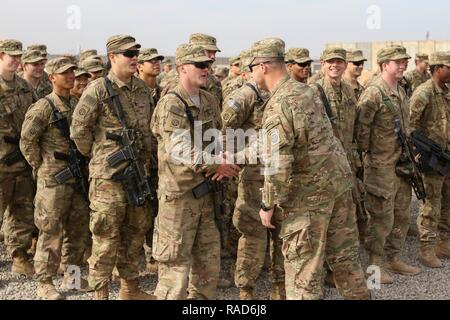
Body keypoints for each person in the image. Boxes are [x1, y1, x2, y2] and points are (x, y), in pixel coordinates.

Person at [253, 37, 369, 300]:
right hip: (338, 187)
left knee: (304, 272)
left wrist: (267, 205)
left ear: (262, 67)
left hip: (308, 199)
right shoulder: (307, 91)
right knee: (347, 262)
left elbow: (278, 163)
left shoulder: (279, 104)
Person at [151, 43, 241, 299]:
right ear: (182, 69)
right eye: (200, 65)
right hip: (180, 198)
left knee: (207, 265)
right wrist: (216, 164)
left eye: (208, 64)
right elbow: (178, 148)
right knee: (175, 269)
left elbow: (217, 137)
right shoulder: (172, 103)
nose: (207, 69)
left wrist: (224, 155)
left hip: (206, 195)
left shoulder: (209, 99)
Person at [70, 34, 155, 300]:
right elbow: (79, 132)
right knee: (105, 237)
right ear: (113, 57)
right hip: (109, 179)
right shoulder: (97, 90)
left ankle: (130, 290)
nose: (134, 59)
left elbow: (149, 130)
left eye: (136, 53)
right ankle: (101, 293)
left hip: (138, 175)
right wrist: (100, 158)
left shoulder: (142, 89)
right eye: (128, 54)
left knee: (134, 234)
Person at [20, 57, 92, 299]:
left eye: (72, 72)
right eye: (64, 73)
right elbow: (27, 142)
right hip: (53, 180)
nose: (71, 77)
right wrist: (42, 167)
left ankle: (71, 276)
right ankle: (45, 282)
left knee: (78, 228)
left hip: (77, 177)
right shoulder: (43, 107)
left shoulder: (78, 104)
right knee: (50, 231)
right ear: (52, 77)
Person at [221, 52, 285, 300]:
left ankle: (279, 286)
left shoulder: (278, 92)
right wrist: (235, 160)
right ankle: (246, 290)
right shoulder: (245, 95)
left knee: (280, 232)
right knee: (252, 235)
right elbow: (225, 131)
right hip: (254, 176)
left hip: (277, 174)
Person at [355, 45, 422, 284]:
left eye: (405, 61)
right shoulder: (373, 92)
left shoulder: (401, 90)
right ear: (385, 65)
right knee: (381, 215)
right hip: (380, 164)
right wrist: (371, 156)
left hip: (400, 163)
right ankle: (375, 264)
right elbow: (361, 132)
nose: (403, 65)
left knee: (401, 213)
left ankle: (393, 258)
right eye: (398, 62)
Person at [409, 51, 450, 267]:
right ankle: (426, 249)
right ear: (437, 69)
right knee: (430, 206)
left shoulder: (446, 91)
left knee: (447, 203)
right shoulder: (423, 93)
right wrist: (420, 155)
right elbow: (411, 127)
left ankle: (444, 243)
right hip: (432, 160)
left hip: (447, 157)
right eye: (449, 67)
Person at [0, 39, 36, 277]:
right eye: (11, 55)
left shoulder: (25, 88)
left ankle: (19, 257)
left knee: (22, 211)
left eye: (18, 56)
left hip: (21, 163)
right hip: (1, 163)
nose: (16, 59)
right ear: (1, 55)